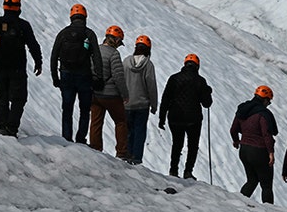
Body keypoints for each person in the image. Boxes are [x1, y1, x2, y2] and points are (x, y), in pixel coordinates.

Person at [0, 0, 43, 136]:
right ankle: (12, 127)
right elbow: (33, 45)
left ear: (4, 7)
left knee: (1, 97)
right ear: (19, 8)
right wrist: (38, 62)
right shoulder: (23, 25)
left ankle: (3, 126)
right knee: (19, 98)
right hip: (17, 68)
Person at [50, 4, 102, 143]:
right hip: (84, 76)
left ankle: (66, 138)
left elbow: (54, 55)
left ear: (71, 17)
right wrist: (99, 77)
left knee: (67, 108)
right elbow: (96, 56)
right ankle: (80, 138)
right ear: (84, 17)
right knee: (84, 110)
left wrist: (55, 77)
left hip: (66, 75)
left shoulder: (63, 33)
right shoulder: (89, 34)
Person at [159, 53, 213, 179]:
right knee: (192, 146)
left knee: (177, 144)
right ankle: (188, 171)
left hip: (175, 117)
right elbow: (207, 104)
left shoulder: (174, 78)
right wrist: (207, 91)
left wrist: (162, 118)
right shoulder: (200, 81)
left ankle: (173, 170)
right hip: (193, 119)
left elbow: (166, 98)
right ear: (197, 66)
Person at [231, 85, 278, 204]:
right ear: (265, 100)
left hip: (244, 150)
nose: (268, 104)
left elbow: (233, 129)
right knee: (266, 185)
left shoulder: (242, 109)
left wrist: (236, 141)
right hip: (259, 152)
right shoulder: (263, 114)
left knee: (251, 180)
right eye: (269, 101)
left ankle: (238, 204)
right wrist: (271, 152)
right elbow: (266, 134)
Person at [88, 25, 130, 157]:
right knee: (121, 121)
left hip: (95, 93)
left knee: (95, 122)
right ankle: (121, 152)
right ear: (116, 40)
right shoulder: (114, 54)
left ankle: (95, 148)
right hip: (111, 95)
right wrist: (125, 95)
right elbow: (118, 76)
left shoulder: (95, 50)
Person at [122, 34, 157, 165]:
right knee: (139, 132)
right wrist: (154, 105)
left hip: (127, 103)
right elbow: (151, 85)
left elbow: (120, 81)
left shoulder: (126, 61)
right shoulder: (148, 65)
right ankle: (136, 158)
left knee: (128, 131)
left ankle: (126, 154)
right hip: (142, 105)